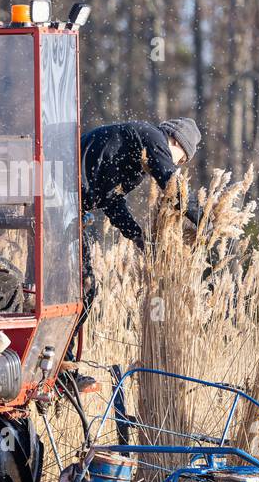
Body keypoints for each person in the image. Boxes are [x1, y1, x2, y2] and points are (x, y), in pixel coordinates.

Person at [74, 117, 201, 341]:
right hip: (60, 209)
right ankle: (63, 366)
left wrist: (139, 238)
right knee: (82, 288)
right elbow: (175, 188)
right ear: (176, 143)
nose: (178, 166)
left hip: (66, 211)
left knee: (82, 290)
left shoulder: (137, 158)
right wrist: (205, 219)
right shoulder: (152, 137)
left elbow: (111, 201)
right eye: (182, 160)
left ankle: (64, 365)